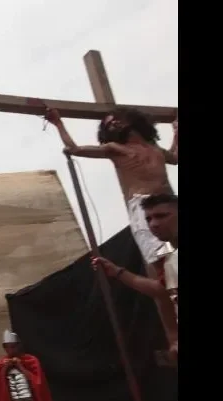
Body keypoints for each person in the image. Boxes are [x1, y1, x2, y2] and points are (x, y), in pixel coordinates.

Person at [44, 107, 178, 345]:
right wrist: (58, 123)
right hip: (144, 206)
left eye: (115, 119)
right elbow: (75, 149)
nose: (112, 123)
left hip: (170, 203)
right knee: (163, 273)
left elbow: (175, 157)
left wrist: (176, 131)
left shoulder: (156, 150)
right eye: (108, 123)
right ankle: (173, 336)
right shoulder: (116, 150)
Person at [92, 193, 179, 356]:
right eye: (149, 219)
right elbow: (161, 290)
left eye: (162, 216)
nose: (154, 224)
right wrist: (117, 272)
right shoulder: (171, 259)